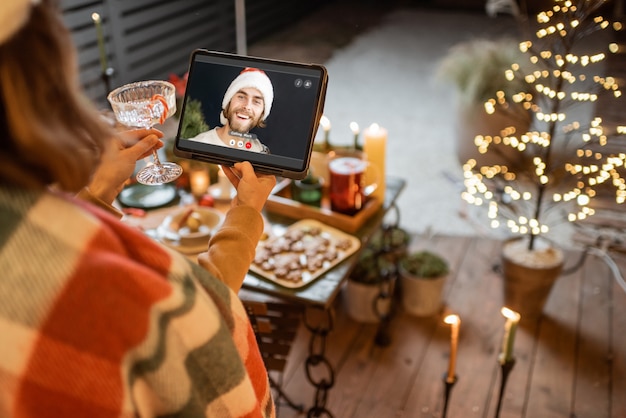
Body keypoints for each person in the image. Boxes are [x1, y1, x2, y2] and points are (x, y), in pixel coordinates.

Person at [0, 0, 277, 416]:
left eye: (259, 101)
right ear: (43, 69)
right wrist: (246, 210)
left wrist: (98, 193)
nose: (248, 105)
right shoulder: (105, 286)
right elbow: (205, 316)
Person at [189, 67, 273, 153]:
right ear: (229, 102)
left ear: (262, 113)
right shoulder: (197, 146)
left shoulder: (261, 153)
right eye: (241, 97)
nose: (247, 106)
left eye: (256, 102)